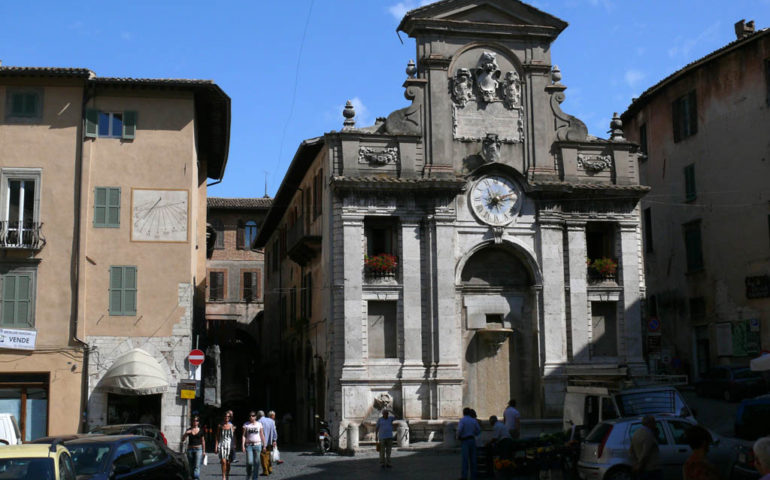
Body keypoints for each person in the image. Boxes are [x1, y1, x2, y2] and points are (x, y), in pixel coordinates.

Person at [629, 415, 663, 480]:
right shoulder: (648, 435)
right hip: (651, 468)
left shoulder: (636, 432)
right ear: (650, 423)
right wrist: (640, 464)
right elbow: (645, 453)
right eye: (654, 422)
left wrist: (636, 463)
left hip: (642, 469)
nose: (655, 424)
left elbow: (631, 450)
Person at [457, 407, 481, 480]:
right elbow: (478, 430)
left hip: (465, 440)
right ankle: (474, 476)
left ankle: (464, 476)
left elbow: (459, 429)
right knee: (473, 459)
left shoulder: (462, 420)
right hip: (472, 439)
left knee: (465, 459)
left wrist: (458, 436)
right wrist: (474, 434)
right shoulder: (473, 420)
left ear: (463, 413)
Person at [242, 411, 266, 480]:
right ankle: (248, 474)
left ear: (255, 417)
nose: (251, 417)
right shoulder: (246, 424)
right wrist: (243, 445)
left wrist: (264, 445)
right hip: (249, 445)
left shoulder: (259, 424)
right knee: (249, 462)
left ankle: (255, 478)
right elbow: (243, 435)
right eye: (250, 416)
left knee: (257, 463)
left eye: (253, 416)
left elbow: (262, 435)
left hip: (257, 445)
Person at [183, 415, 206, 480]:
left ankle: (196, 478)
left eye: (196, 421)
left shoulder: (201, 430)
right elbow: (182, 439)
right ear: (192, 422)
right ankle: (192, 477)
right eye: (194, 420)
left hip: (199, 449)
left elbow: (203, 441)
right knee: (190, 466)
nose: (195, 422)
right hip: (190, 449)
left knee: (197, 466)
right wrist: (186, 433)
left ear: (198, 422)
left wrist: (204, 451)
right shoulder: (189, 430)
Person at [215, 411, 235, 480]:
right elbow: (217, 436)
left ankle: (227, 475)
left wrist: (235, 445)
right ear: (223, 417)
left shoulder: (232, 426)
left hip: (230, 445)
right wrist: (216, 446)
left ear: (230, 418)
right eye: (225, 416)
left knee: (228, 463)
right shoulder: (220, 426)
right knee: (223, 461)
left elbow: (234, 437)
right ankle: (223, 476)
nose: (227, 417)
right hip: (222, 444)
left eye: (228, 416)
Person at [259, 410, 278, 475]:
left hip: (262, 442)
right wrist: (274, 440)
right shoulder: (271, 421)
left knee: (263, 456)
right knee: (268, 455)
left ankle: (265, 471)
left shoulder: (259, 422)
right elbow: (274, 431)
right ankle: (270, 469)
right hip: (270, 441)